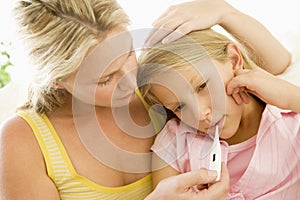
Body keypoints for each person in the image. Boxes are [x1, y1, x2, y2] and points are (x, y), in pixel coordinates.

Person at [0, 0, 291, 199]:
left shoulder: (160, 90)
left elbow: (277, 65)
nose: (131, 79)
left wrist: (224, 11)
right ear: (59, 81)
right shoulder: (24, 141)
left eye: (128, 52)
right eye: (106, 78)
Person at [137, 27, 300, 199]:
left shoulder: (291, 120)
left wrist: (291, 97)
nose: (200, 114)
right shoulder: (174, 142)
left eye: (202, 86)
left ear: (234, 59)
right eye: (180, 107)